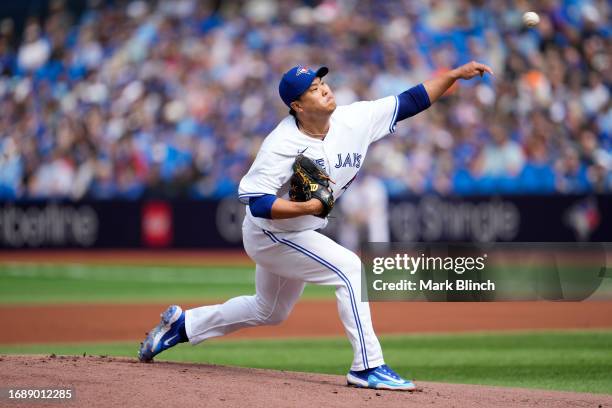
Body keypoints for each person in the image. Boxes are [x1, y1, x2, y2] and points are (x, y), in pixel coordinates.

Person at [139, 61, 494, 390]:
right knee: (349, 267)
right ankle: (367, 366)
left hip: (301, 230)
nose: (324, 89)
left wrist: (452, 75)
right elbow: (258, 203)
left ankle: (183, 326)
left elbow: (410, 101)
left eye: (322, 82)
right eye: (312, 89)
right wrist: (306, 206)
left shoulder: (354, 119)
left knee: (269, 310)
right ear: (297, 105)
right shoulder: (281, 145)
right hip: (270, 234)